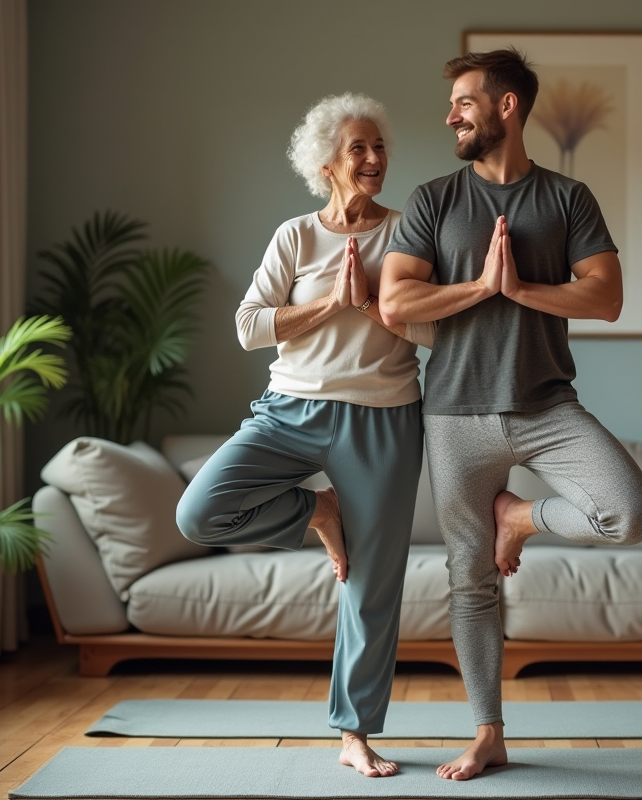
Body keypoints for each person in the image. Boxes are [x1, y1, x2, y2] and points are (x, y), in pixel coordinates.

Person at [379, 49, 642, 781]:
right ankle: (489, 733)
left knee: (629, 513)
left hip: (546, 406)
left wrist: (524, 289)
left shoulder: (568, 198)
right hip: (453, 414)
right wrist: (479, 288)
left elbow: (605, 297)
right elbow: (395, 302)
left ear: (507, 107)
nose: (451, 116)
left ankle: (520, 519)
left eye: (465, 102)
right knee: (470, 582)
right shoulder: (435, 199)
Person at [175, 93, 433, 778]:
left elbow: (437, 330)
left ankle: (354, 733)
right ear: (326, 164)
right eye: (359, 148)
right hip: (289, 411)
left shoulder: (410, 234)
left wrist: (378, 307)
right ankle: (317, 510)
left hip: (383, 417)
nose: (375, 159)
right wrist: (328, 304)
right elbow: (248, 326)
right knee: (199, 511)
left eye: (380, 147)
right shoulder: (296, 236)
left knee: (373, 586)